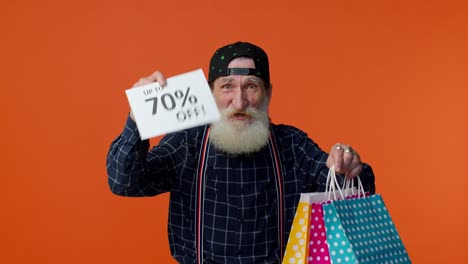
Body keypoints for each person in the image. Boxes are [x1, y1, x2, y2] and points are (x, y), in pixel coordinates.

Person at [107, 41, 375, 264]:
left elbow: (351, 186)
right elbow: (124, 181)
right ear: (211, 93)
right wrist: (137, 117)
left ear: (268, 93)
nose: (240, 101)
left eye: (251, 86)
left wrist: (346, 167)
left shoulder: (291, 144)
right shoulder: (187, 143)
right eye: (227, 86)